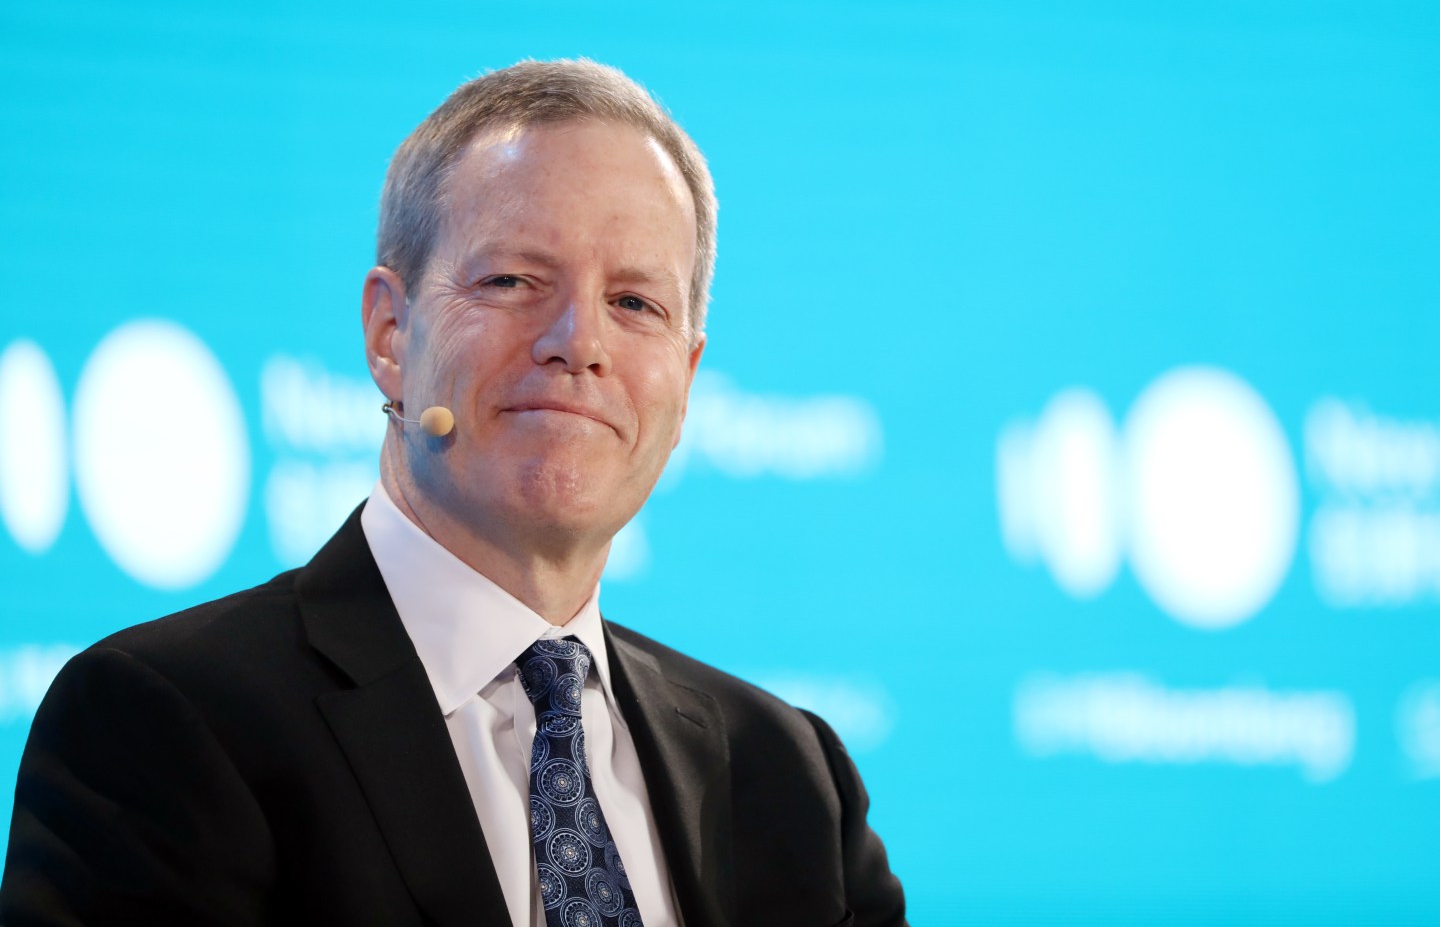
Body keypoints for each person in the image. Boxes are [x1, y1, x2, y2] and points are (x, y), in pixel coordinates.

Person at [0, 59, 906, 926]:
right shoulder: (164, 723)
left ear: (688, 380)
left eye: (636, 304)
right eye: (512, 280)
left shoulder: (790, 774)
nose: (577, 342)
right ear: (391, 334)